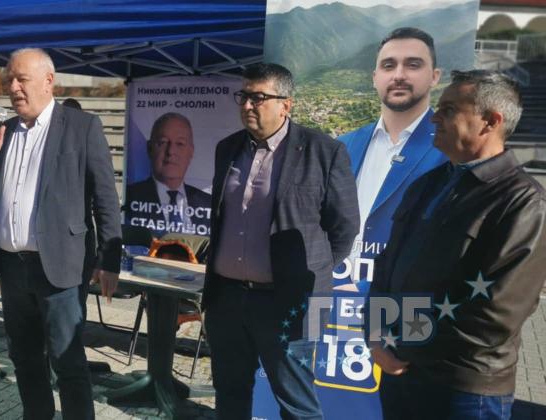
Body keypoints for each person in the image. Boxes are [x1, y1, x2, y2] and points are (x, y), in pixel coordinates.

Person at [368, 70, 546, 420]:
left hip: (462, 387)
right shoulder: (430, 184)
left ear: (490, 121)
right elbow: (387, 266)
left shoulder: (523, 202)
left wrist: (403, 345)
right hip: (401, 371)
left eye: (449, 109)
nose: (434, 117)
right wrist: (377, 335)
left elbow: (495, 311)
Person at [0, 48, 122, 420]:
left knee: (67, 361)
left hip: (60, 267)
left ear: (49, 81)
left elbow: (105, 196)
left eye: (22, 79)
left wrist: (109, 259)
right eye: (9, 80)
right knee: (25, 357)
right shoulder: (3, 131)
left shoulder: (81, 127)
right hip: (11, 266)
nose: (13, 88)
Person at [201, 63, 359, 419]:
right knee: (229, 393)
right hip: (227, 299)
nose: (247, 105)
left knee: (297, 403)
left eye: (258, 97)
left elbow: (345, 228)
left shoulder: (324, 152)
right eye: (243, 96)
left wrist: (306, 272)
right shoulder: (227, 148)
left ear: (286, 104)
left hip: (291, 302)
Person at [335, 27, 448, 292]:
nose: (398, 75)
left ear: (434, 77)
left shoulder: (451, 151)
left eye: (413, 65)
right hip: (334, 297)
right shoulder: (343, 146)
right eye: (388, 65)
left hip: (406, 305)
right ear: (375, 78)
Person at [125, 112, 212, 235]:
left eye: (180, 144)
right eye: (163, 142)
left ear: (191, 152)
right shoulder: (129, 197)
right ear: (149, 148)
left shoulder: (208, 204)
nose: (171, 151)